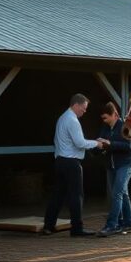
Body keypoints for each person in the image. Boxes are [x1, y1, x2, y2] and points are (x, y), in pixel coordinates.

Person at [44, 93, 103, 237]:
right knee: (76, 196)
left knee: (58, 195)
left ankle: (48, 226)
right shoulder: (72, 120)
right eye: (83, 108)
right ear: (76, 105)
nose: (84, 111)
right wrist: (98, 143)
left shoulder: (62, 118)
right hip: (71, 163)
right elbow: (80, 143)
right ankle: (77, 228)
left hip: (60, 161)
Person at [96, 101, 131, 237]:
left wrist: (110, 144)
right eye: (103, 118)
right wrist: (100, 145)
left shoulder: (125, 126)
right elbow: (103, 142)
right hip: (111, 166)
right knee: (122, 193)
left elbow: (129, 147)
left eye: (106, 117)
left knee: (116, 194)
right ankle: (129, 224)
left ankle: (111, 225)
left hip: (126, 164)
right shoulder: (105, 127)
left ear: (114, 115)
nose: (104, 120)